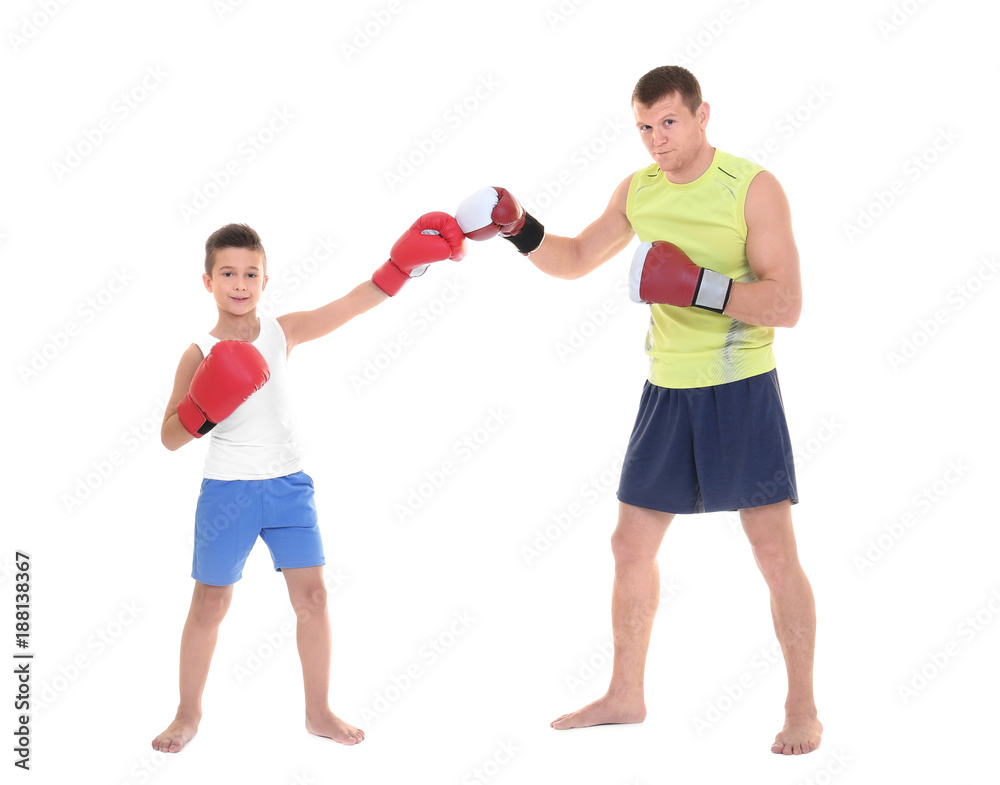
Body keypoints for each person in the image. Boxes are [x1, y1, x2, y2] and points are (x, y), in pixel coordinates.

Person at [455, 65, 821, 755]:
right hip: (666, 389)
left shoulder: (752, 187)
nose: (657, 139)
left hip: (739, 385)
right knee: (629, 545)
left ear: (703, 114)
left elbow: (788, 304)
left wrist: (699, 287)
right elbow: (573, 259)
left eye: (669, 122)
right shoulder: (640, 189)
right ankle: (626, 693)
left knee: (773, 550)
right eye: (645, 127)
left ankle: (802, 706)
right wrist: (517, 226)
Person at [152, 214, 465, 753]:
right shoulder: (197, 353)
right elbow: (168, 438)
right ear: (208, 283)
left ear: (266, 281)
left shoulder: (281, 331)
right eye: (228, 274)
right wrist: (205, 408)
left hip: (289, 487)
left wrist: (401, 268)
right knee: (209, 605)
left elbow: (347, 305)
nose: (240, 285)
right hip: (228, 492)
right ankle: (187, 713)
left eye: (252, 274)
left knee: (315, 599)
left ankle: (318, 712)